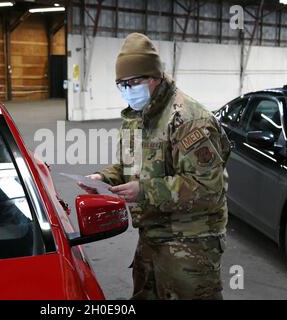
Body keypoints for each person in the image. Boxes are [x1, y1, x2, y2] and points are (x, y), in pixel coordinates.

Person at [79, 33, 231, 300]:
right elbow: (130, 166)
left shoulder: (188, 119)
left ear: (155, 77)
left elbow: (208, 189)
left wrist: (145, 191)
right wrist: (104, 177)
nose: (127, 89)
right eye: (121, 84)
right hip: (152, 235)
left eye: (134, 82)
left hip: (190, 244)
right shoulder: (136, 116)